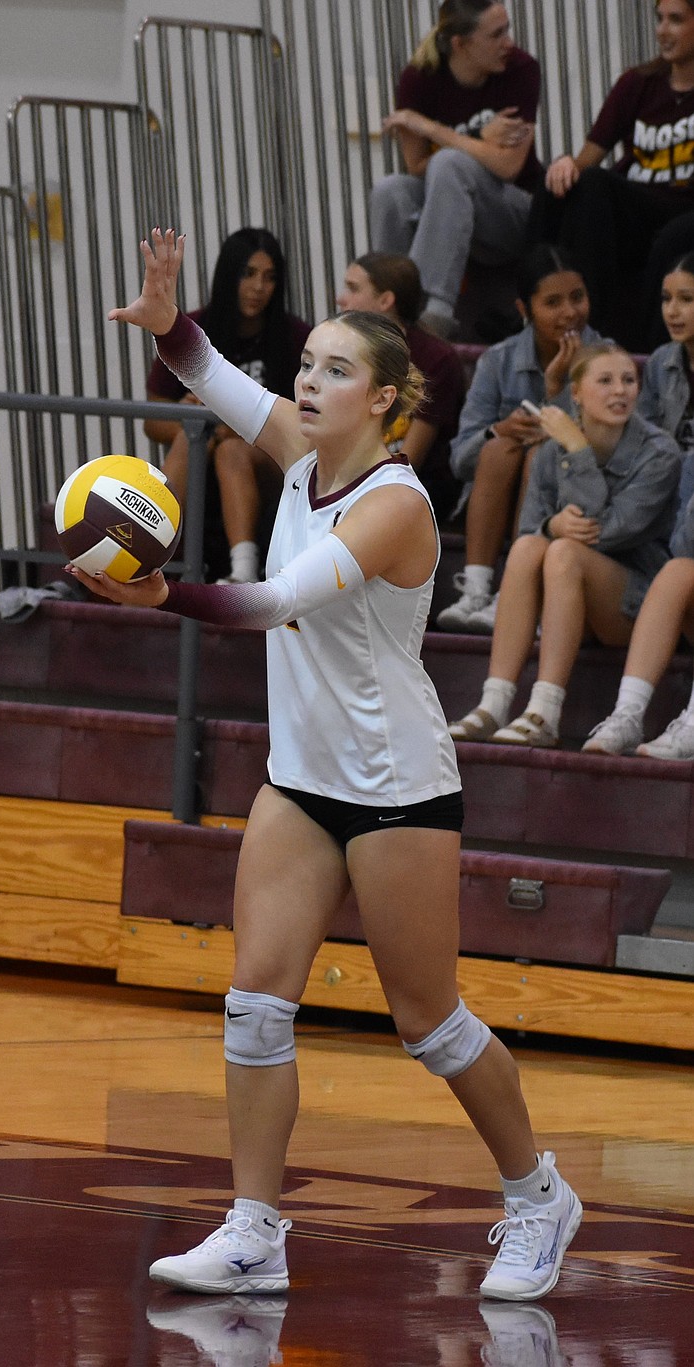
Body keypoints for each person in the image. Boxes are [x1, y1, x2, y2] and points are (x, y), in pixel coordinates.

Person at [73, 226, 582, 1302]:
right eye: (305, 364)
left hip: (397, 790)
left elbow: (274, 603)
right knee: (254, 1006)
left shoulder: (396, 503)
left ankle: (538, 1196)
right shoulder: (302, 457)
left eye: (334, 370)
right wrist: (168, 320)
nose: (306, 382)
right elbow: (211, 375)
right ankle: (255, 1229)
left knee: (429, 1023)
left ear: (385, 400)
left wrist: (165, 595)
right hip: (299, 782)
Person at [449, 343, 682, 747]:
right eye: (605, 380)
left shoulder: (661, 453)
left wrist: (579, 450)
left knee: (563, 551)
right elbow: (528, 530)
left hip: (636, 608)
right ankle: (493, 704)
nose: (620, 390)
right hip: (567, 603)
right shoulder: (550, 450)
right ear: (576, 393)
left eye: (629, 380)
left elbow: (607, 532)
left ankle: (545, 711)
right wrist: (551, 523)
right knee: (529, 548)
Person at [437, 246, 603, 632]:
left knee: (541, 453)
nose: (569, 312)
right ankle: (476, 590)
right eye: (553, 303)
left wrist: (559, 391)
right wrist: (500, 429)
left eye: (577, 297)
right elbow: (460, 461)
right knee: (499, 446)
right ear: (524, 309)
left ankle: (516, 590)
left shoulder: (606, 360)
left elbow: (606, 455)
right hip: (496, 493)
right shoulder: (498, 361)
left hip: (573, 501)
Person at [145, 227, 310, 583]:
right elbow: (152, 422)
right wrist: (190, 416)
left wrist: (238, 426)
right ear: (228, 275)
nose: (258, 287)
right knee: (192, 436)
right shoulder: (193, 329)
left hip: (274, 460)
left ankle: (243, 572)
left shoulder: (295, 336)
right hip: (204, 454)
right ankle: (143, 553)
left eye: (269, 277)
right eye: (248, 274)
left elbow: (309, 420)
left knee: (232, 450)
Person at [530, 0, 694, 353]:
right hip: (637, 206)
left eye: (676, 20)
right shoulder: (638, 83)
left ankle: (595, 329)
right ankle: (531, 317)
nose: (662, 31)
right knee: (559, 187)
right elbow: (586, 160)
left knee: (598, 186)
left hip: (684, 209)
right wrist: (564, 164)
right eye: (659, 19)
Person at [371, 0, 541, 341]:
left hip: (512, 213)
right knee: (391, 191)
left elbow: (508, 166)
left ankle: (432, 311)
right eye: (496, 34)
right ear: (460, 44)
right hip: (451, 207)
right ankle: (386, 305)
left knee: (449, 162)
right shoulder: (418, 78)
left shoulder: (520, 69)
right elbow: (417, 166)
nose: (508, 42)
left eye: (507, 29)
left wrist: (433, 130)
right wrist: (480, 138)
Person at [585, 254, 694, 758]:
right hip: (671, 530)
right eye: (667, 298)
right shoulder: (665, 364)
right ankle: (628, 716)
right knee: (676, 571)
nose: (673, 310)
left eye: (687, 299)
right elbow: (641, 451)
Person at [335, 251, 466, 521]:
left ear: (386, 300)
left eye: (353, 289)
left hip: (416, 483)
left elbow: (410, 459)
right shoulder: (342, 348)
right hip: (356, 471)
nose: (341, 299)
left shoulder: (436, 358)